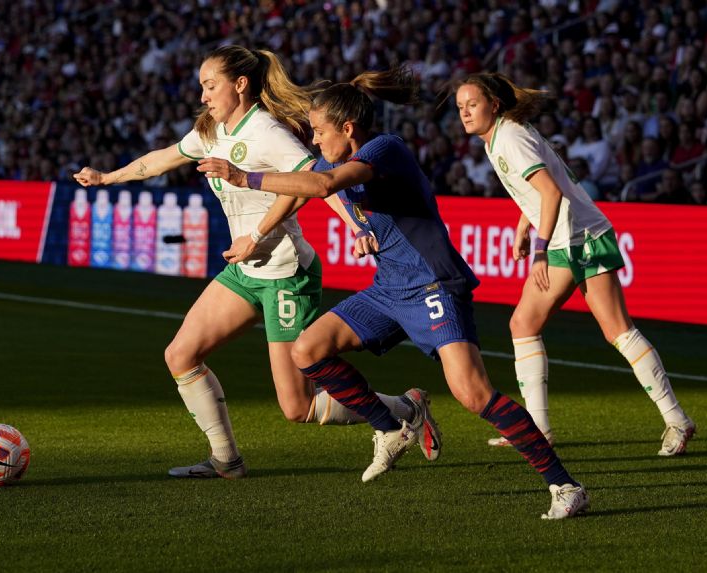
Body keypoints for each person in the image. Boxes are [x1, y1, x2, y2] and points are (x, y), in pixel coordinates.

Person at [199, 67, 589, 519]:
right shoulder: (333, 158)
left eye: (321, 132)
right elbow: (305, 189)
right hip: (389, 287)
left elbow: (322, 185)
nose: (315, 142)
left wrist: (245, 177)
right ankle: (391, 426)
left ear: (348, 129)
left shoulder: (386, 149)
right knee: (307, 350)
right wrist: (258, 234)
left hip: (433, 284)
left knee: (473, 393)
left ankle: (565, 485)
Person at [73, 46, 440, 480]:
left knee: (297, 407)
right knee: (181, 354)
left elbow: (313, 181)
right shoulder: (210, 130)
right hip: (245, 270)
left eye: (211, 86)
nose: (204, 96)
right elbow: (163, 158)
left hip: (286, 274)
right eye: (202, 87)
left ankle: (406, 407)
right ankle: (226, 460)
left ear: (240, 84)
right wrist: (108, 178)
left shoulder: (266, 131)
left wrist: (355, 226)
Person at [454, 72, 695, 456]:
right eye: (460, 107)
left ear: (493, 105)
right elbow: (541, 187)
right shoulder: (501, 135)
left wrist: (539, 250)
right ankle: (676, 420)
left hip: (574, 239)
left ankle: (541, 430)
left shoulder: (510, 138)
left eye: (472, 104)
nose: (465, 113)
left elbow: (550, 192)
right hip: (582, 233)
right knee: (610, 331)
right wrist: (522, 226)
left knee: (532, 324)